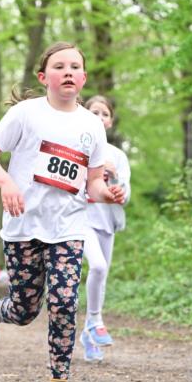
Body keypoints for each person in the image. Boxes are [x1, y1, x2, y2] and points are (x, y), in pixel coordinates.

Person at [0, 41, 125, 382]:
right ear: (44, 77)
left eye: (75, 66)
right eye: (59, 66)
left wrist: (110, 194)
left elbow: (91, 187)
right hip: (24, 225)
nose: (68, 71)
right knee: (25, 310)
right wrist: (7, 183)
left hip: (69, 228)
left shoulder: (92, 126)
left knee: (63, 302)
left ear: (84, 77)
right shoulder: (26, 114)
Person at [80, 95, 131, 362]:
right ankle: (95, 322)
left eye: (105, 114)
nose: (99, 118)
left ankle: (88, 334)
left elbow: (126, 195)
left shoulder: (118, 156)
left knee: (101, 277)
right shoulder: (77, 148)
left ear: (110, 122)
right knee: (97, 266)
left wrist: (116, 178)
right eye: (94, 112)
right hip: (80, 219)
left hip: (106, 223)